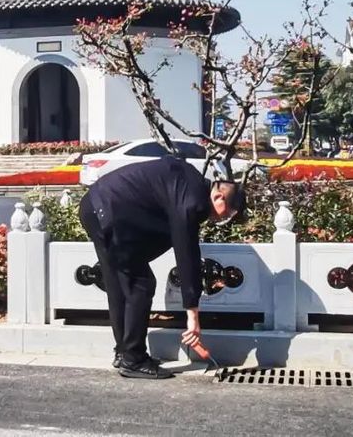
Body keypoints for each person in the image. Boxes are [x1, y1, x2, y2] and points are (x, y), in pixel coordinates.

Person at [78, 155, 245, 380]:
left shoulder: (188, 182)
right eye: (230, 212)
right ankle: (133, 359)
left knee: (120, 283)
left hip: (94, 206)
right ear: (218, 196)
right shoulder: (192, 200)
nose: (225, 218)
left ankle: (124, 352)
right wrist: (193, 316)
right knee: (141, 284)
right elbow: (186, 253)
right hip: (109, 213)